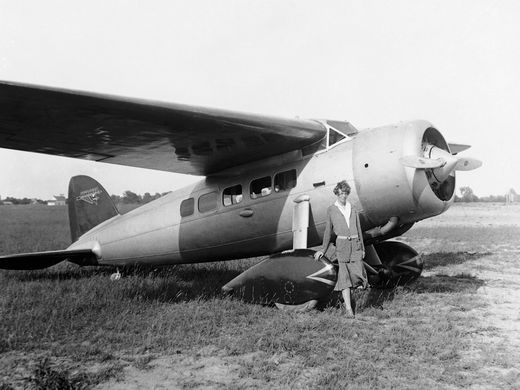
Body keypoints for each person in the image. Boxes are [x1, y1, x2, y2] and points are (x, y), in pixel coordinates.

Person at [314, 180, 367, 318]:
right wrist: (323, 250)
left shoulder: (353, 208)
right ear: (337, 193)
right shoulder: (331, 209)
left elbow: (359, 229)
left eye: (345, 193)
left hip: (355, 245)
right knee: (344, 278)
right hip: (342, 246)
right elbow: (327, 231)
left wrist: (361, 247)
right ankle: (349, 309)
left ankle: (357, 294)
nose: (343, 196)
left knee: (359, 274)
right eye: (341, 193)